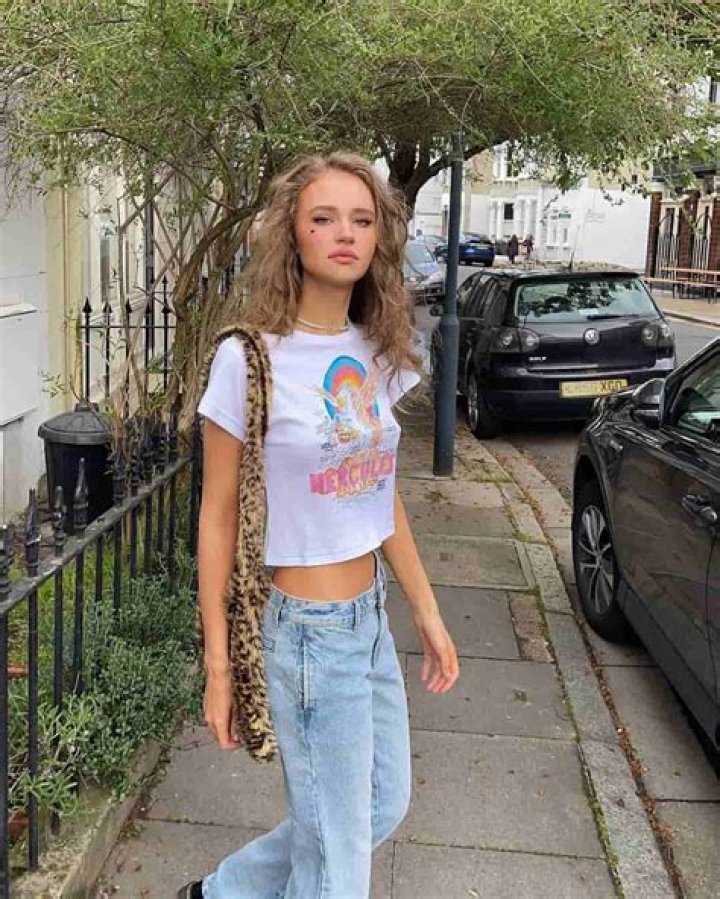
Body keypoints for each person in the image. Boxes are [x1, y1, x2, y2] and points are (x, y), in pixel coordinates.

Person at [181, 152, 459, 899]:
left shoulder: (376, 348)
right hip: (306, 632)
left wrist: (426, 612)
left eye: (362, 220)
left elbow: (380, 496)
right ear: (292, 234)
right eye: (324, 218)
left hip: (368, 618)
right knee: (339, 864)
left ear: (379, 239)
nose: (345, 234)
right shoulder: (248, 359)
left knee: (377, 806)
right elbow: (215, 518)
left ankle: (223, 891)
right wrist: (219, 667)